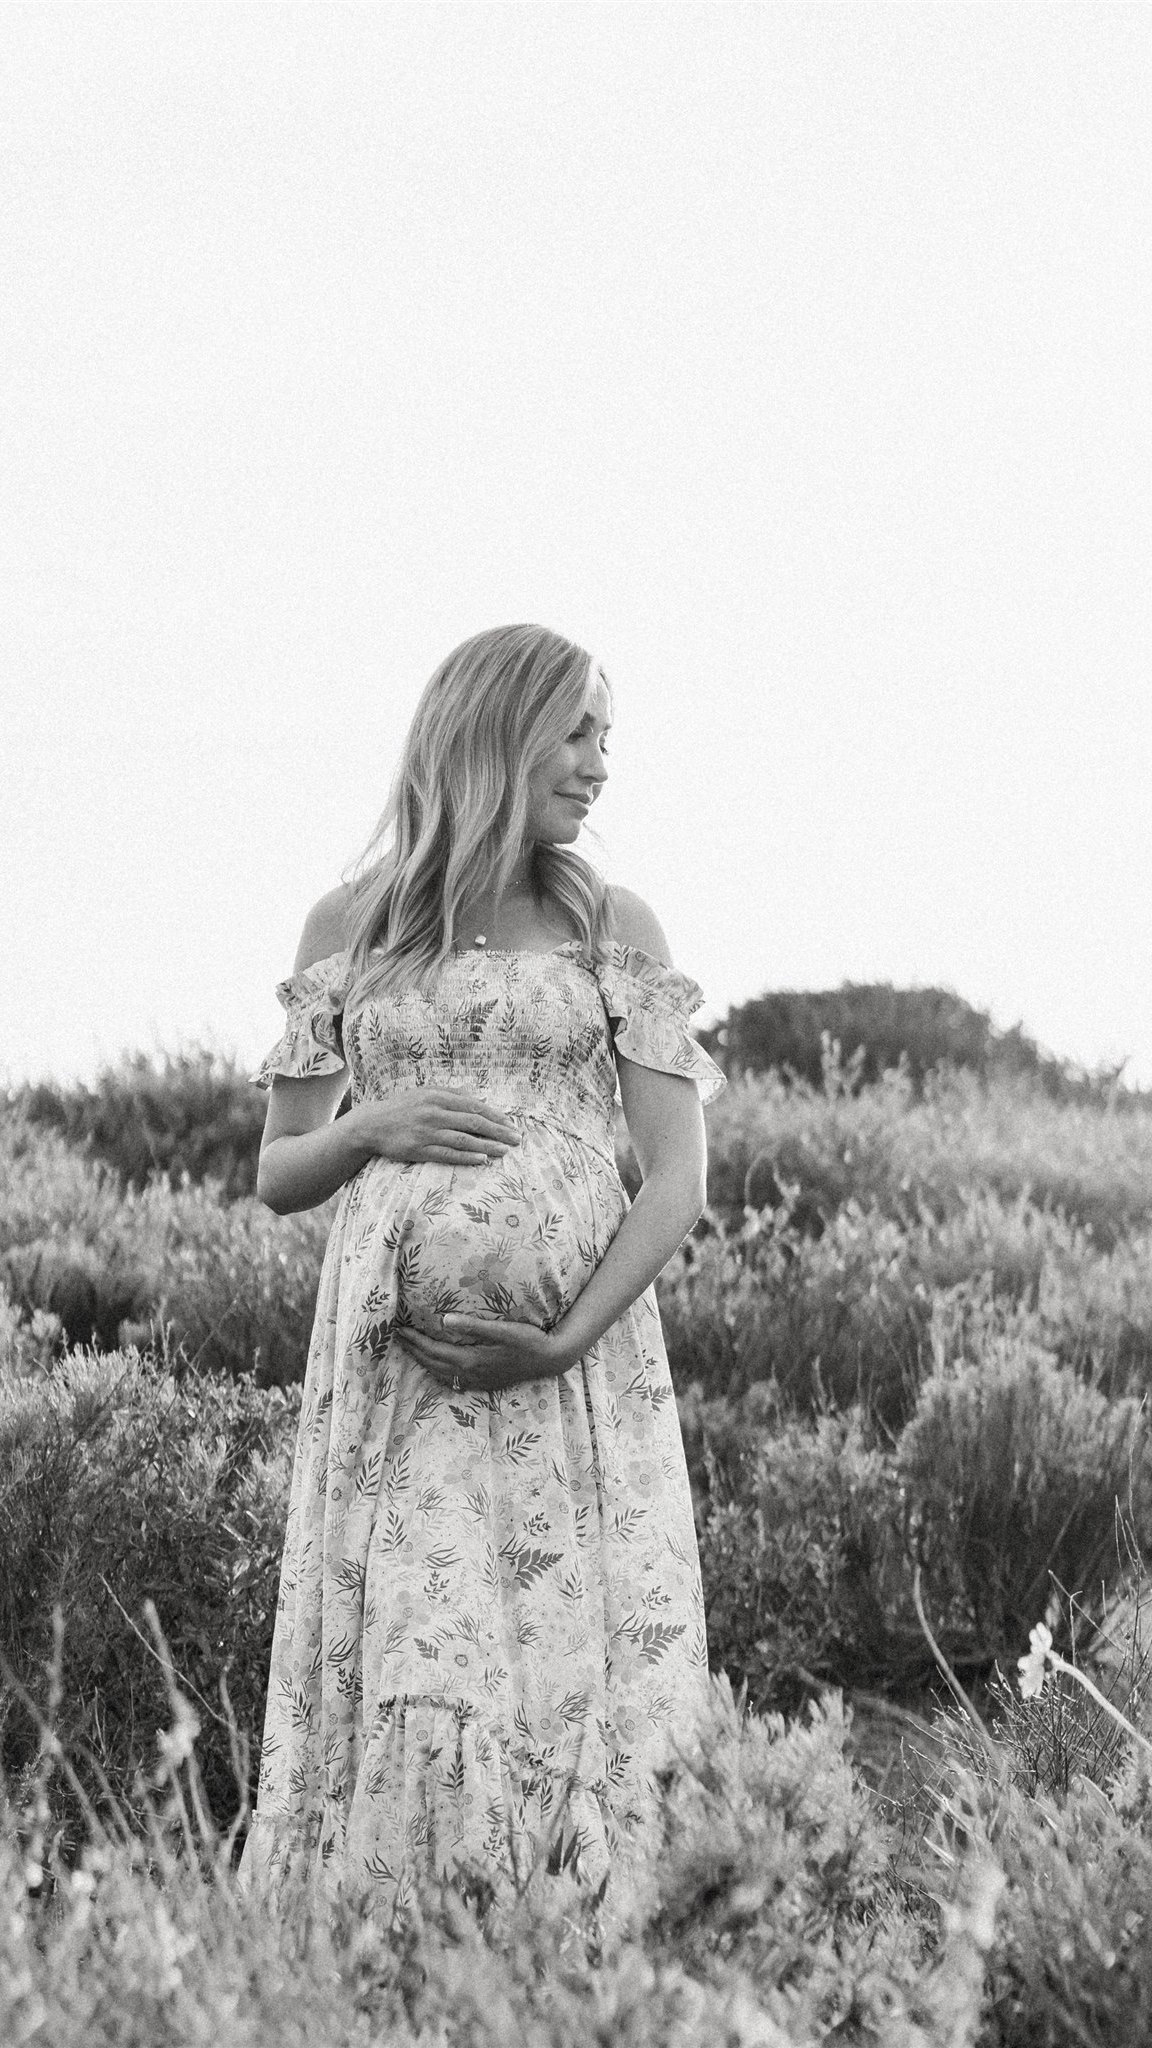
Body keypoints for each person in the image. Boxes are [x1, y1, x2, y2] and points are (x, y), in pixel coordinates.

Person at [238, 622, 726, 1917]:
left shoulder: (609, 924)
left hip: (571, 1370)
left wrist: (565, 1338)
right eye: (576, 733)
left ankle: (563, 1935)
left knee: (558, 1645)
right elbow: (282, 1172)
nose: (598, 767)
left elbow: (675, 1181)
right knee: (416, 1634)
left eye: (605, 739)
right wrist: (373, 1127)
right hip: (397, 1375)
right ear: (496, 733)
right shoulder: (352, 922)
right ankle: (396, 1934)